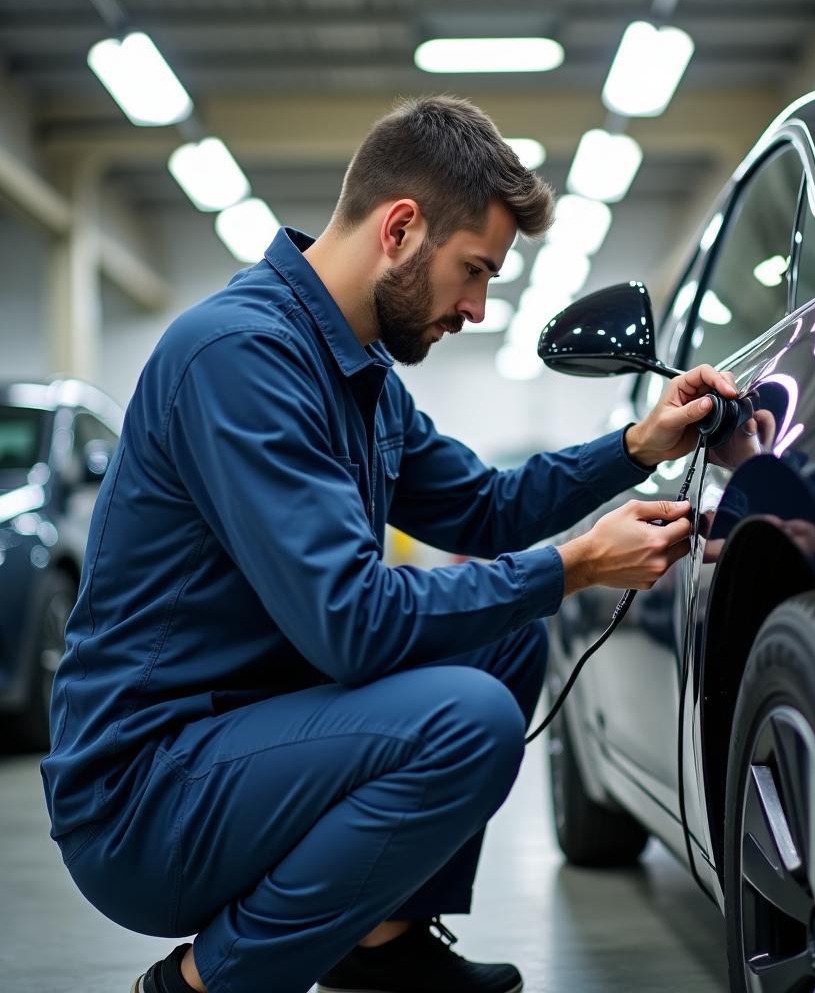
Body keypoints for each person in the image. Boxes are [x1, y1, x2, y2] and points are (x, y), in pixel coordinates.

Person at [40, 95, 737, 993]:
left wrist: (637, 447)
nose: (480, 308)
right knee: (468, 720)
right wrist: (575, 565)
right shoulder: (238, 356)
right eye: (475, 271)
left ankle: (381, 946)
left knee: (507, 639)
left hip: (244, 742)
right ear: (401, 228)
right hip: (144, 794)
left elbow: (485, 507)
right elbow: (352, 623)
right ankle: (197, 987)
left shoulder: (359, 375)